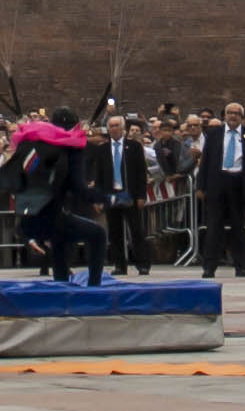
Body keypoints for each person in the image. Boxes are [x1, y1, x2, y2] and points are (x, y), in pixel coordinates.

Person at [20, 108, 105, 286]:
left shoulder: (39, 147)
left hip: (37, 214)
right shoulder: (69, 152)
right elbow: (78, 187)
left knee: (60, 238)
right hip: (52, 213)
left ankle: (61, 282)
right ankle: (94, 285)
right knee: (98, 234)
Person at [196, 101, 245, 277]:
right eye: (230, 113)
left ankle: (241, 265)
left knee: (238, 227)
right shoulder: (214, 134)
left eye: (237, 113)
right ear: (224, 115)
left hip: (238, 183)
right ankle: (209, 266)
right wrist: (200, 185)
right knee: (214, 227)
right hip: (217, 182)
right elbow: (206, 161)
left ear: (242, 117)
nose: (233, 116)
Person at [89, 113, 152, 276]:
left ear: (123, 128)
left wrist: (141, 195)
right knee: (115, 232)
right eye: (111, 126)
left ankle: (142, 264)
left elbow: (141, 173)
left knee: (136, 230)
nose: (114, 129)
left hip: (129, 193)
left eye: (117, 125)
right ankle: (119, 264)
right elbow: (98, 175)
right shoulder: (102, 149)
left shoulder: (134, 147)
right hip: (111, 194)